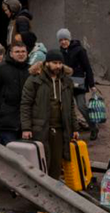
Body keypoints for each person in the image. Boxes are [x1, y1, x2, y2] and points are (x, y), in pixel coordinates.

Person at [20, 49, 79, 179]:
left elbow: (70, 106)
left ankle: (53, 194)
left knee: (56, 165)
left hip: (60, 130)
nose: (57, 66)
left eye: (60, 63)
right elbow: (25, 104)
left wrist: (74, 127)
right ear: (47, 63)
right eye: (54, 63)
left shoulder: (66, 81)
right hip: (40, 129)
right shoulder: (34, 80)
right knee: (41, 163)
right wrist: (26, 128)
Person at [57, 28, 99, 141]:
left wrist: (92, 85)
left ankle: (93, 127)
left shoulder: (79, 50)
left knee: (81, 106)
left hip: (79, 83)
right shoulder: (59, 52)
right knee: (67, 108)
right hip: (66, 84)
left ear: (69, 39)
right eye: (61, 40)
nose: (63, 42)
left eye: (65, 39)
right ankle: (71, 130)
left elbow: (88, 68)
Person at [0, 41, 29, 145]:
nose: (21, 54)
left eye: (23, 51)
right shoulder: (0, 69)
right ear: (10, 53)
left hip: (25, 122)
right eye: (17, 51)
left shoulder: (30, 70)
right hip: (5, 121)